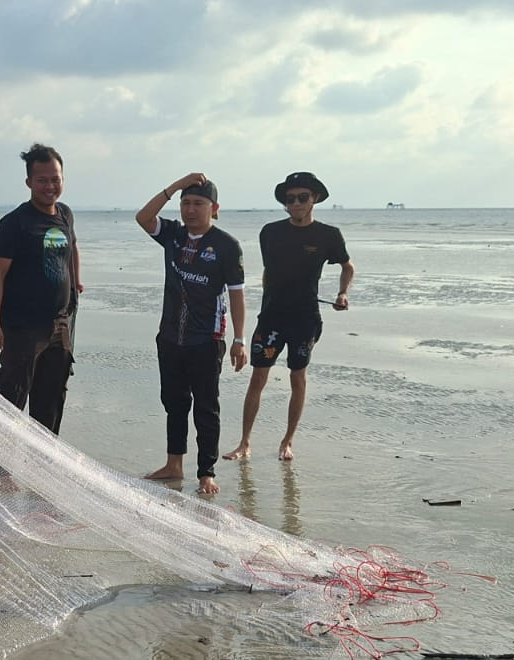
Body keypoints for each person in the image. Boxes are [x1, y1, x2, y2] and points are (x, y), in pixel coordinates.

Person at [223, 171, 353, 463]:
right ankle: (244, 443)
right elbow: (270, 272)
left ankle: (287, 441)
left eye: (302, 198)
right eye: (289, 198)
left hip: (306, 319)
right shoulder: (269, 232)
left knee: (298, 377)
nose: (295, 203)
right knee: (258, 377)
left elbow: (348, 267)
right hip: (271, 318)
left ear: (314, 199)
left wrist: (343, 293)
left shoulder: (328, 235)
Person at [134, 173, 247, 495]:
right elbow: (143, 217)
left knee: (206, 406)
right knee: (174, 403)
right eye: (186, 203)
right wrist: (175, 184)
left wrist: (240, 340)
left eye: (199, 203)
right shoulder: (172, 235)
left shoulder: (226, 246)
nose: (190, 210)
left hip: (206, 339)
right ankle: (174, 464)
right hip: (170, 336)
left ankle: (206, 472)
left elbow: (237, 295)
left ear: (215, 208)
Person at [0, 143, 81, 436]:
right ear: (29, 182)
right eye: (42, 180)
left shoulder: (65, 214)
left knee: (51, 399)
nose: (50, 186)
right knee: (10, 398)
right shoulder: (15, 224)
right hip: (22, 327)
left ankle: (43, 467)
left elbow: (72, 247)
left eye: (55, 178)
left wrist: (75, 284)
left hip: (59, 324)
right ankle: (1, 472)